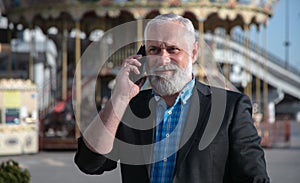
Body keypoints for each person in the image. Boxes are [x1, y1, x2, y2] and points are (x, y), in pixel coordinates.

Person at [74, 13, 270, 183]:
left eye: (173, 49)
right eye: (154, 50)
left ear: (193, 53)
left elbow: (254, 177)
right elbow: (89, 163)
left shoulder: (230, 108)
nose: (163, 59)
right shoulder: (131, 107)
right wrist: (118, 97)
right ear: (143, 56)